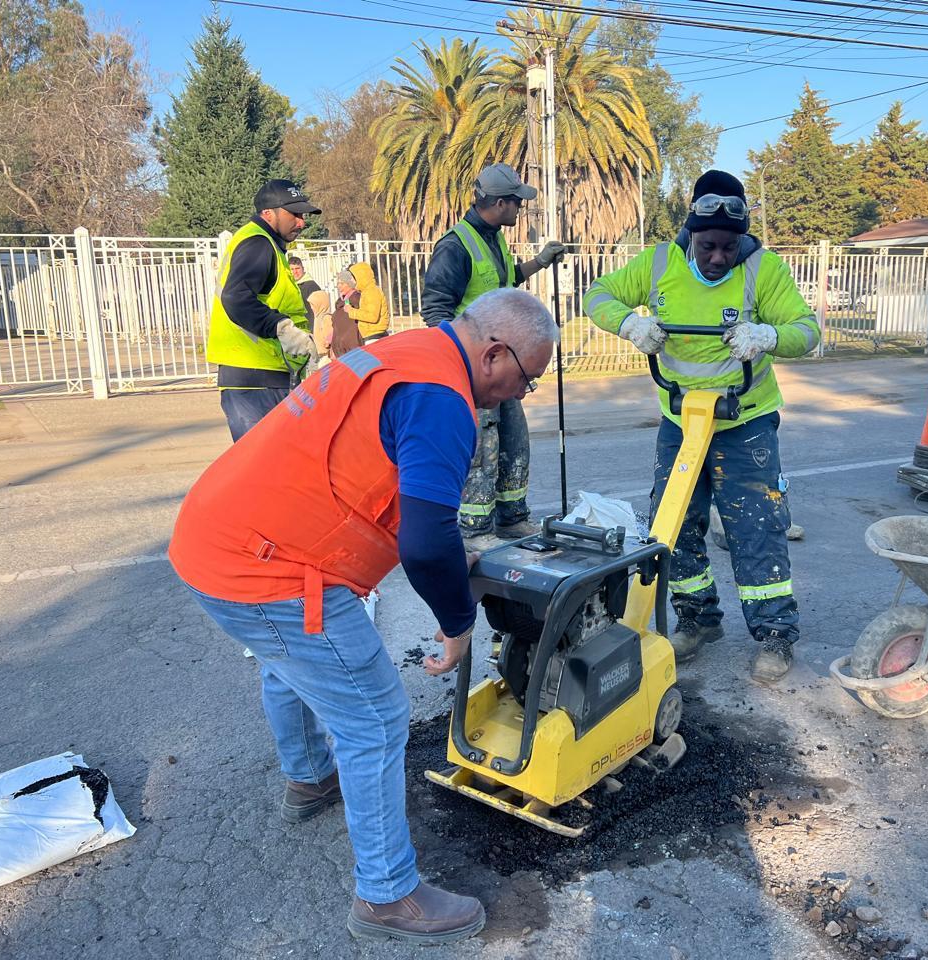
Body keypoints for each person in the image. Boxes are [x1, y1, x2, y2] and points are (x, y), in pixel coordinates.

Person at [168, 287, 558, 945]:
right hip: (263, 566)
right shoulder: (443, 401)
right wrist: (459, 621)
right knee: (375, 716)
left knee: (287, 660)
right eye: (527, 379)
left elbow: (394, 485)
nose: (522, 395)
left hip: (217, 535)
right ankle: (387, 896)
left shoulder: (410, 351)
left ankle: (309, 778)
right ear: (494, 354)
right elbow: (427, 540)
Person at [583, 170, 820, 684]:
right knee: (674, 524)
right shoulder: (660, 264)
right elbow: (598, 295)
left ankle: (775, 633)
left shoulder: (763, 269)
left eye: (728, 247)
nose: (718, 257)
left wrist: (768, 334)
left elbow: (808, 331)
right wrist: (629, 323)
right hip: (681, 420)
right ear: (690, 232)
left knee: (755, 527)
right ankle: (699, 618)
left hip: (745, 423)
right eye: (708, 245)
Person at [421, 163, 567, 548]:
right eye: (517, 203)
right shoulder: (455, 246)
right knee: (482, 452)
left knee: (514, 441)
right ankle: (474, 530)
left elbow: (503, 282)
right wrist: (459, 366)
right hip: (475, 370)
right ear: (499, 203)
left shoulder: (493, 238)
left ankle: (512, 518)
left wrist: (539, 261)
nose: (521, 209)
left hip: (503, 367)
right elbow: (435, 311)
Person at [208, 179, 321, 441]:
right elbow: (237, 297)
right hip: (255, 380)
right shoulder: (258, 243)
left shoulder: (268, 246)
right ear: (268, 213)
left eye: (303, 215)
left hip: (263, 376)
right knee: (266, 470)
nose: (301, 222)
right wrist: (282, 328)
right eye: (294, 214)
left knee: (276, 468)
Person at [345, 261, 390, 342]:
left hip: (375, 336)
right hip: (371, 334)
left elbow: (372, 316)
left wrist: (352, 311)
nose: (351, 280)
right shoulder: (366, 292)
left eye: (353, 277)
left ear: (360, 277)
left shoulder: (371, 292)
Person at [289, 255, 322, 323]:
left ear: (303, 269)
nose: (295, 272)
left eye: (297, 268)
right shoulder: (291, 286)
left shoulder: (311, 286)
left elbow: (319, 310)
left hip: (309, 327)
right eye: (292, 269)